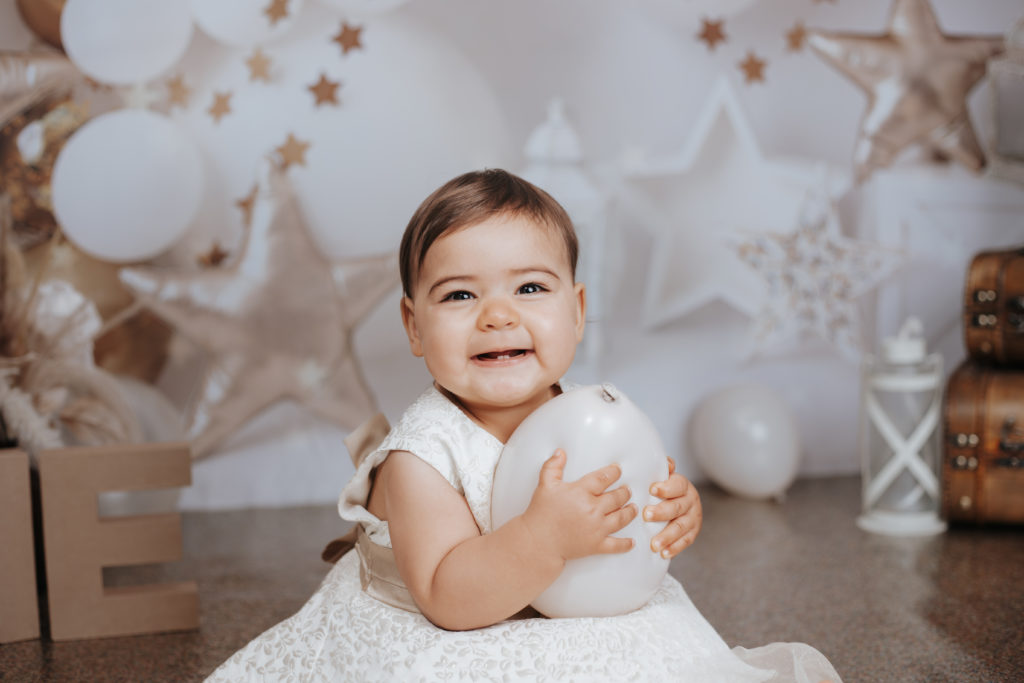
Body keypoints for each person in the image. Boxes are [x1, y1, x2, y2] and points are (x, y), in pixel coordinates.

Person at [206, 169, 841, 682]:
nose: (497, 316)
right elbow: (449, 598)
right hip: (457, 630)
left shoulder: (588, 412)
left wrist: (674, 511)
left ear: (578, 308)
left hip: (577, 610)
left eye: (531, 288)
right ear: (413, 326)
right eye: (459, 295)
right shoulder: (420, 456)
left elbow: (637, 489)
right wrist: (543, 538)